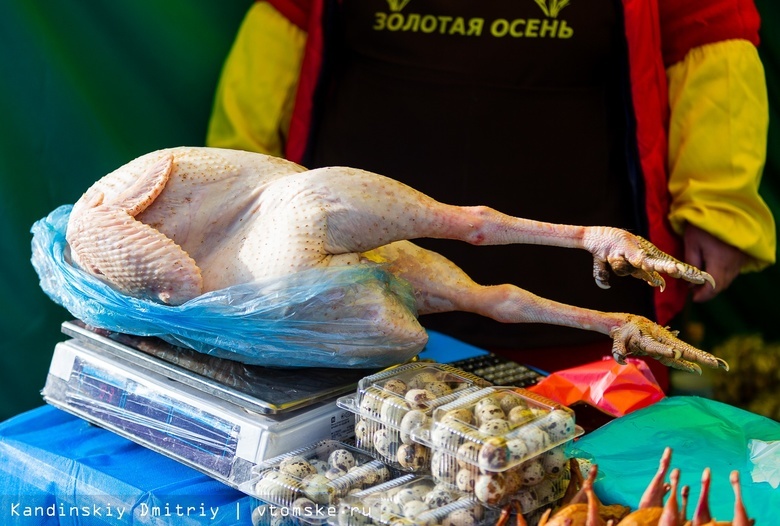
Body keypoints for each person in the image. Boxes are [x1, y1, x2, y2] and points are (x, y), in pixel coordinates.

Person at [206, 0, 776, 390]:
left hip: (573, 300)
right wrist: (236, 194)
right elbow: (287, 21)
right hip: (345, 294)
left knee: (569, 473)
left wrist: (717, 201)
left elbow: (704, 23)